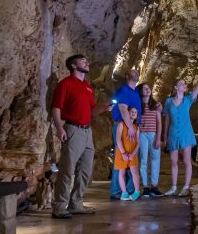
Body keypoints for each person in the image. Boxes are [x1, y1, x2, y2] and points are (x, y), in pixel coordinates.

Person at [50, 54, 113, 219]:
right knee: (67, 169)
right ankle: (59, 206)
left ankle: (76, 203)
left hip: (87, 132)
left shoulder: (88, 87)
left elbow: (91, 111)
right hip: (72, 129)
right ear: (73, 65)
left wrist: (104, 108)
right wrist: (59, 127)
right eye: (83, 60)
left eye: (87, 60)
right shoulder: (65, 84)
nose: (87, 62)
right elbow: (56, 108)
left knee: (85, 170)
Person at [163, 66, 198, 197]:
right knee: (173, 161)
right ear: (176, 87)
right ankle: (173, 187)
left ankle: (185, 187)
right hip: (173, 133)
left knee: (186, 160)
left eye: (185, 83)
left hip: (186, 133)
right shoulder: (168, 101)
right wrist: (165, 135)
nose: (185, 85)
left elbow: (197, 88)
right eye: (182, 83)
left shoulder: (188, 100)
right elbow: (166, 119)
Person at [110, 69, 142, 199]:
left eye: (137, 72)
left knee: (131, 160)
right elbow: (123, 109)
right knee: (121, 159)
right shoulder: (124, 90)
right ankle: (118, 191)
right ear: (127, 75)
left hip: (132, 127)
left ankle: (130, 190)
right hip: (125, 127)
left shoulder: (135, 92)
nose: (136, 73)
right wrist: (130, 127)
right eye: (132, 72)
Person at [137, 82, 163, 197]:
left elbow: (159, 122)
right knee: (143, 159)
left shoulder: (156, 105)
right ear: (140, 92)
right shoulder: (138, 105)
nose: (147, 90)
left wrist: (158, 138)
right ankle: (146, 186)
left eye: (148, 88)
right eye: (144, 88)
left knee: (155, 159)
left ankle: (154, 185)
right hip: (142, 134)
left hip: (153, 134)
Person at [114, 107, 142, 201]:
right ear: (127, 113)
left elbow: (138, 143)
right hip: (122, 152)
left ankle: (137, 191)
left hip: (132, 152)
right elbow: (118, 139)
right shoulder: (121, 124)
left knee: (135, 172)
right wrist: (123, 153)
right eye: (132, 112)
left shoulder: (137, 127)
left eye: (135, 112)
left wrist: (133, 154)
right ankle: (124, 192)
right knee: (122, 172)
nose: (134, 113)